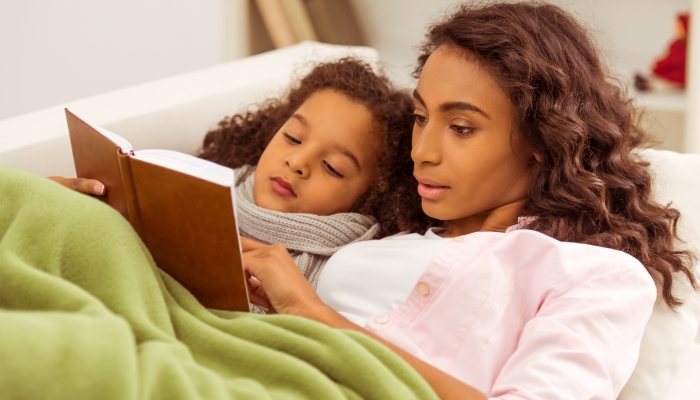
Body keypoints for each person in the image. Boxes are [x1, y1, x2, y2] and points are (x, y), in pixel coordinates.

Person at [240, 3, 698, 399]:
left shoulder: (595, 278)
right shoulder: (381, 232)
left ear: (543, 139)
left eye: (461, 128)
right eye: (421, 118)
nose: (422, 151)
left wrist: (313, 314)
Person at [50, 58, 435, 309]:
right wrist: (80, 214)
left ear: (371, 196)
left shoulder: (338, 276)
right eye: (293, 138)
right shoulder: (187, 185)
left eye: (332, 167)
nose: (296, 162)